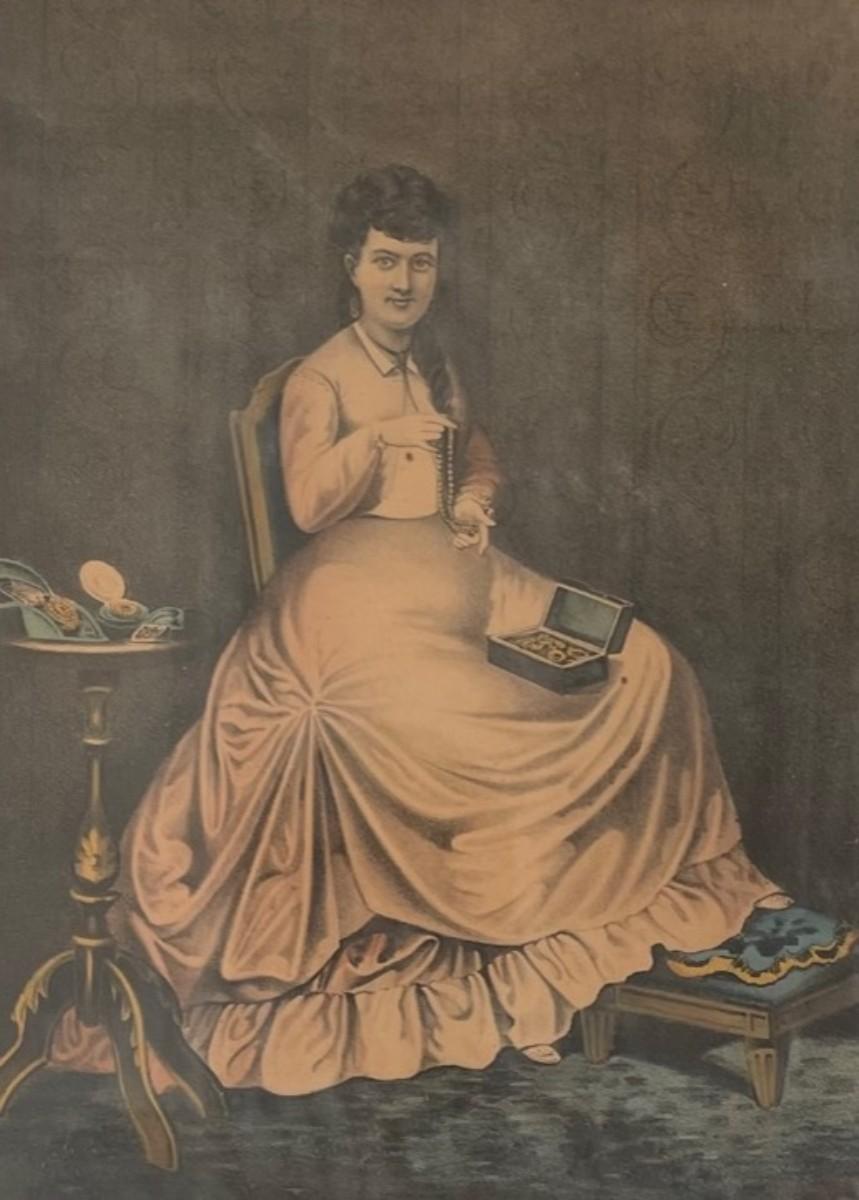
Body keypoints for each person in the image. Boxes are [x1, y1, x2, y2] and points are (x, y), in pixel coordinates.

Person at [56, 164, 787, 1092]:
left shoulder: (433, 364)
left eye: (421, 263)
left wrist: (474, 500)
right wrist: (378, 441)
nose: (404, 282)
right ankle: (514, 925)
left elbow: (476, 454)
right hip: (349, 605)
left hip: (467, 577)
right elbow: (310, 505)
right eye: (386, 262)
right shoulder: (320, 378)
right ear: (351, 267)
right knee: (462, 722)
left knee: (646, 662)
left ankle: (643, 889)